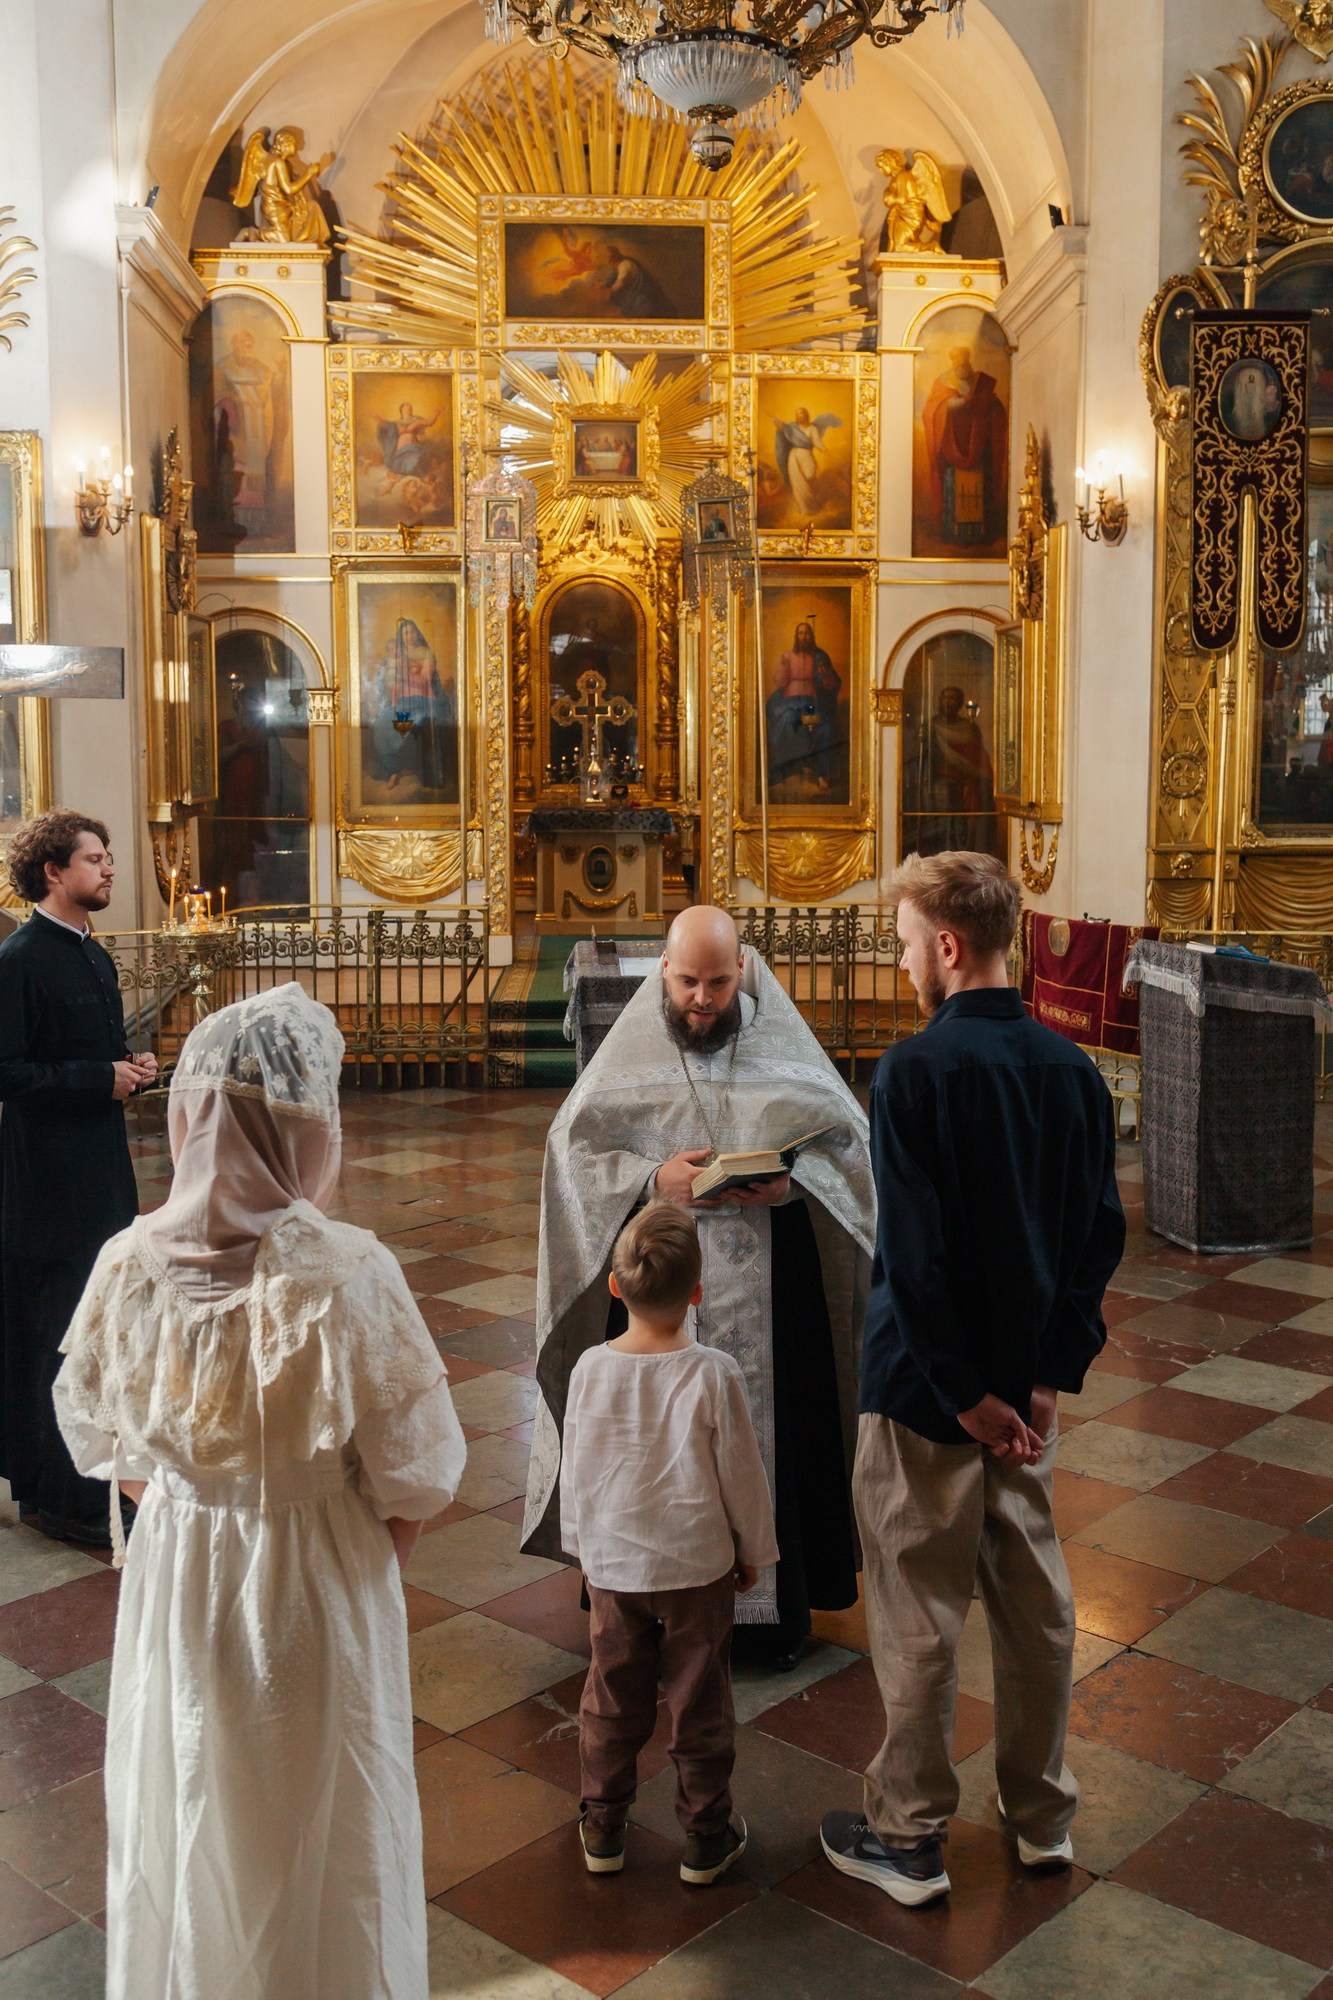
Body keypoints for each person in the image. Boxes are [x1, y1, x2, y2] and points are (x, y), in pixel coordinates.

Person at [54, 982, 466, 2000]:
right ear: (308, 1128)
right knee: (324, 1831)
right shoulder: (349, 1269)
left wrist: (201, 1504)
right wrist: (353, 1556)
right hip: (317, 1580)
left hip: (178, 1576)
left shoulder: (122, 1263)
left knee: (194, 1806)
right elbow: (417, 1471)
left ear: (190, 1113)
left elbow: (99, 1436)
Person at [820, 852, 1125, 1906]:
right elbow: (1096, 1238)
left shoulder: (911, 1071)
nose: (904, 959)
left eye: (906, 941)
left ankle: (907, 1833)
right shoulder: (1072, 1071)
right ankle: (1041, 1817)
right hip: (1025, 1405)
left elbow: (911, 1257)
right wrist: (1043, 1379)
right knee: (1036, 1608)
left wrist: (959, 1393)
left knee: (917, 1612)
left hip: (923, 1396)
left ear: (947, 946)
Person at [525, 904, 875, 1667]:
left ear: (742, 969)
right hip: (655, 1307)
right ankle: (642, 1610)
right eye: (687, 981)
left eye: (718, 982)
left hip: (773, 1305)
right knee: (653, 1450)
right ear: (664, 971)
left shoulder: (782, 1045)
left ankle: (766, 1621)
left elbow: (849, 1151)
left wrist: (789, 1185)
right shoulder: (630, 1055)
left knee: (763, 1441)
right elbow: (571, 1159)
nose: (702, 1000)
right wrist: (655, 1178)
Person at [563, 1202, 777, 1884]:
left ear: (615, 1287)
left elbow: (580, 1468)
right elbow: (741, 1475)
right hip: (696, 1565)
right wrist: (754, 1552)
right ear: (697, 1293)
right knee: (700, 1698)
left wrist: (583, 1549)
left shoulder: (590, 1370)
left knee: (610, 1695)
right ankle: (705, 1837)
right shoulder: (712, 1372)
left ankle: (603, 1827)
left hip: (615, 1565)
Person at [0, 811, 156, 1545]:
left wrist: (132, 1072)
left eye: (108, 856)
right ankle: (54, 1495)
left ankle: (96, 1481)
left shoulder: (95, 954)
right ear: (54, 872)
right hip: (48, 1181)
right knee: (57, 1326)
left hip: (102, 1168)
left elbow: (100, 1055)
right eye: (94, 859)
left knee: (102, 1321)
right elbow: (8, 1072)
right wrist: (101, 1078)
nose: (109, 868)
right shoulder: (22, 957)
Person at [921, 344, 1008, 547]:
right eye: (957, 361)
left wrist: (987, 402)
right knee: (954, 488)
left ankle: (978, 533)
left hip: (978, 444)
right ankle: (954, 532)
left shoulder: (978, 379)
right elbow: (934, 410)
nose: (961, 365)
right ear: (953, 362)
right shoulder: (943, 381)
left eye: (964, 361)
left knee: (978, 488)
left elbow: (993, 407)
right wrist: (962, 402)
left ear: (968, 360)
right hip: (952, 446)